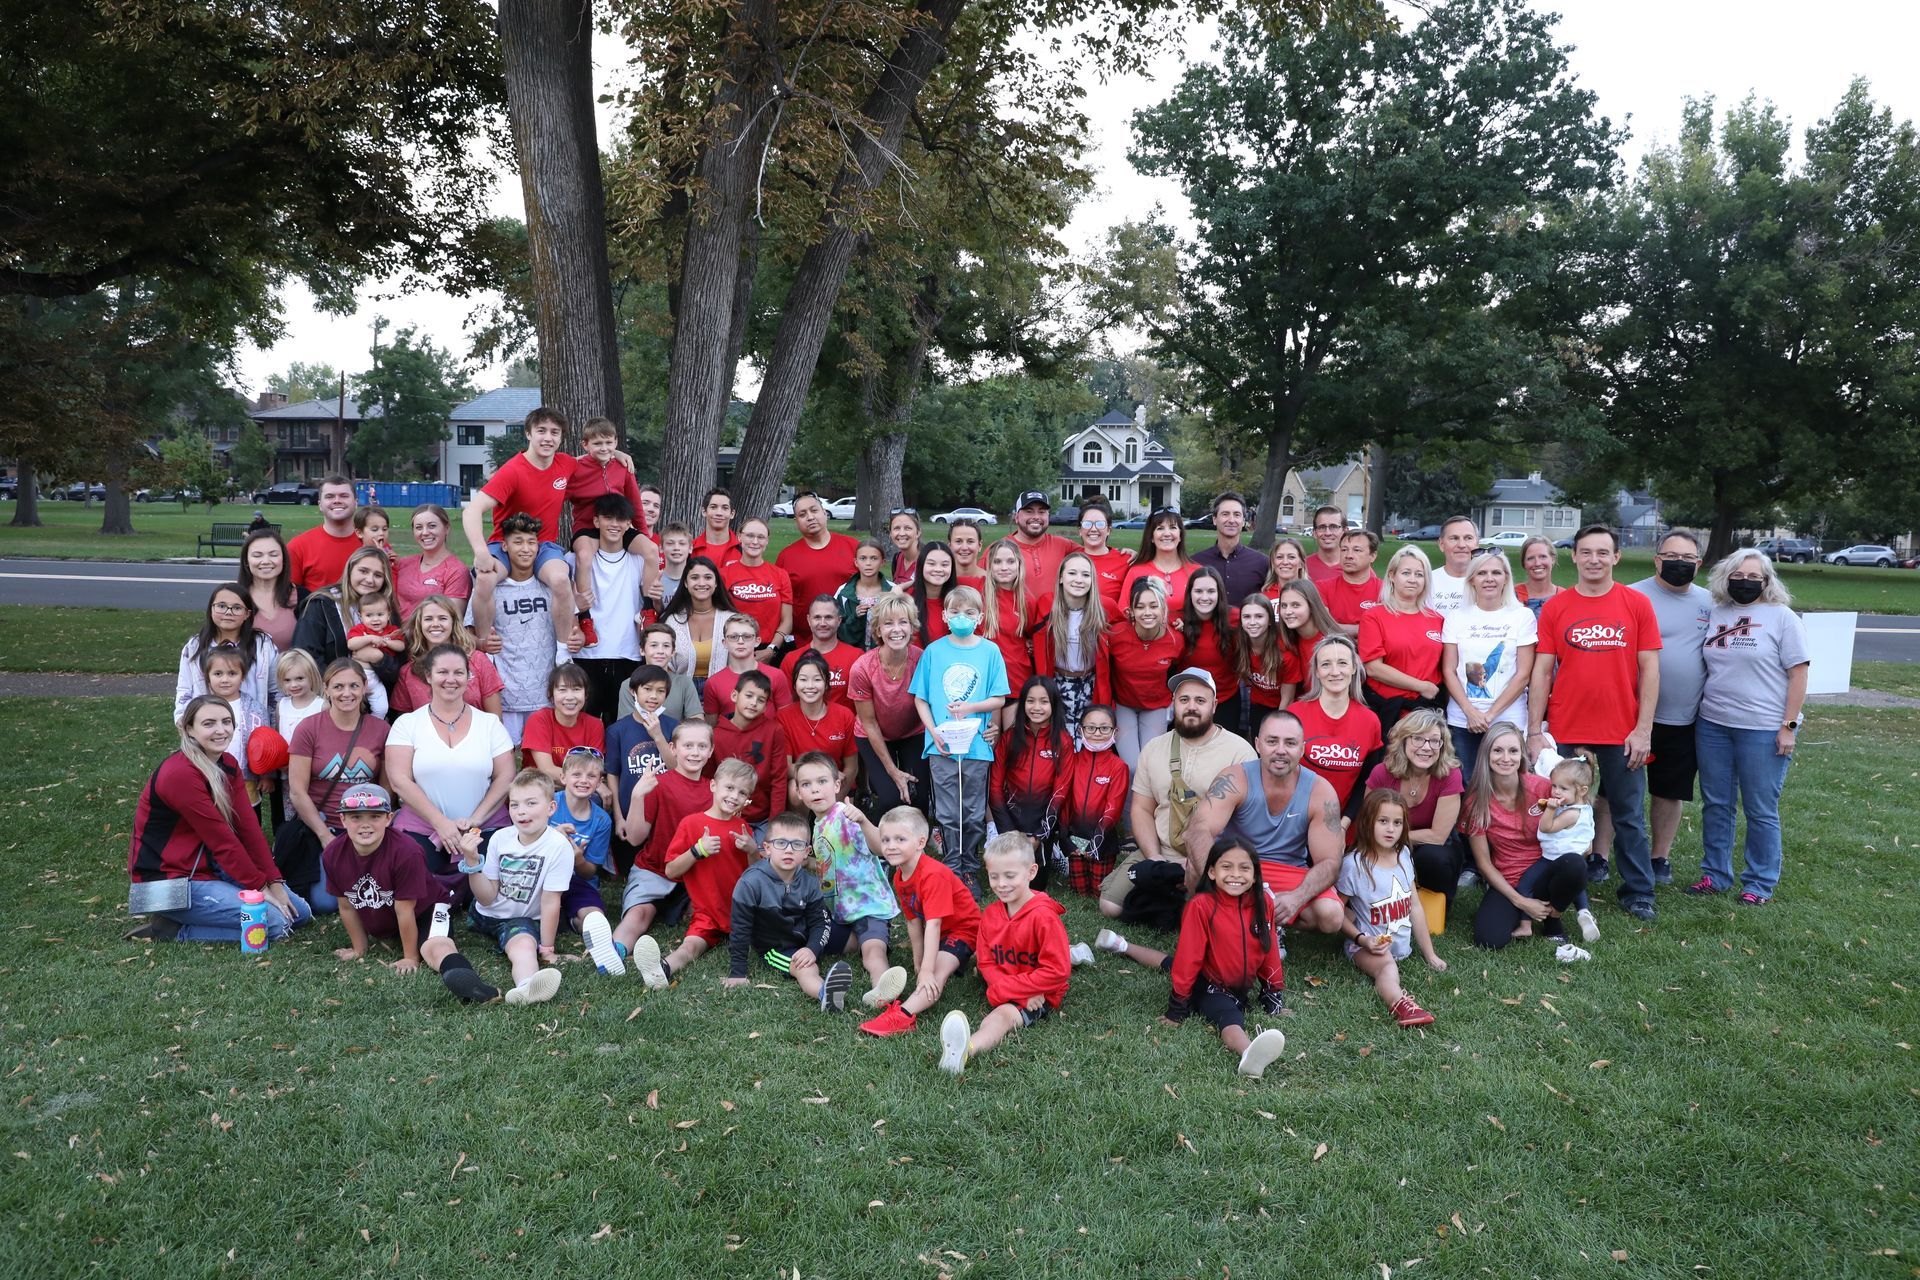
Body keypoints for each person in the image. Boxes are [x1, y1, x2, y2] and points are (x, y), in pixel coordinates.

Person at [1527, 523, 1662, 921]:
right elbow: (1542, 671)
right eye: (1586, 552)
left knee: (1628, 813)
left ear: (1616, 557)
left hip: (1621, 729)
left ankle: (1638, 890)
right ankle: (1551, 882)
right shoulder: (1557, 607)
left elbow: (1650, 668)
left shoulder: (1635, 604)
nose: (1594, 560)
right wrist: (1536, 731)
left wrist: (1643, 729)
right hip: (1567, 726)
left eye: (1603, 552)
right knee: (1550, 804)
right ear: (1574, 556)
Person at [124, 695, 312, 944]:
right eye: (209, 723)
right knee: (274, 923)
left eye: (226, 722)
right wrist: (259, 887)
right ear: (189, 728)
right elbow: (222, 842)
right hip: (167, 884)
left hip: (208, 868)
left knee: (300, 914)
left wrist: (274, 881)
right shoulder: (180, 774)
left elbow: (249, 830)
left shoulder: (228, 765)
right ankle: (171, 929)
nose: (220, 730)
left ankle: (202, 912)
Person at [1095, 838, 1286, 1076]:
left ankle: (1121, 945)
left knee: (1168, 962)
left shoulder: (1264, 902)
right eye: (1226, 867)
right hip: (1208, 984)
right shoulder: (1201, 905)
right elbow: (1188, 960)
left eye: (1244, 868)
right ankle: (1248, 1053)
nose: (1235, 874)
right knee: (1229, 1016)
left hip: (1230, 981)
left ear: (1256, 875)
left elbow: (1269, 950)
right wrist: (1177, 1009)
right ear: (1212, 872)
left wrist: (1273, 996)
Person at [1687, 549, 1809, 906]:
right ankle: (1715, 874)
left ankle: (1758, 882)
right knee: (1717, 804)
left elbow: (1798, 673)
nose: (1745, 582)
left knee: (1760, 808)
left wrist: (1788, 726)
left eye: (1754, 577)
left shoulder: (1782, 617)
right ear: (1725, 577)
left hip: (1763, 728)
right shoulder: (1717, 612)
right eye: (1738, 576)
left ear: (1767, 582)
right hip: (1713, 724)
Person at [1098, 668, 1254, 921]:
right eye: (1184, 700)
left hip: (1213, 857)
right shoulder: (1154, 747)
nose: (1191, 707)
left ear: (1214, 705)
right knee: (1110, 906)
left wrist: (1202, 862)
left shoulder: (1241, 753)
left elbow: (1246, 822)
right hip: (1162, 850)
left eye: (1200, 701)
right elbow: (1141, 809)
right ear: (1173, 704)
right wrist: (1156, 860)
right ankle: (1179, 899)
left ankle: (1183, 899)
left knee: (1216, 910)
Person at [1179, 707, 1345, 935]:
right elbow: (1198, 830)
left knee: (1331, 916)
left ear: (1302, 748)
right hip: (1235, 862)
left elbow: (1330, 862)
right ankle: (1205, 915)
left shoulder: (1320, 791)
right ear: (1257, 744)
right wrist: (1220, 876)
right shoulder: (1235, 778)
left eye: (1290, 743)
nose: (1280, 750)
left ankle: (1268, 920)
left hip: (1287, 870)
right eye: (1272, 741)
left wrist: (1297, 898)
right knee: (1195, 865)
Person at [935, 834, 1070, 1075]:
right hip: (1016, 987)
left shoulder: (1044, 917)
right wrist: (1008, 988)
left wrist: (1012, 992)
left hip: (1039, 994)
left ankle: (967, 1049)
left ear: (1031, 872)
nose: (1001, 884)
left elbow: (1058, 971)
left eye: (1010, 876)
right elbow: (986, 962)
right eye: (994, 876)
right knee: (980, 970)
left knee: (1002, 1016)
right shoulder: (990, 914)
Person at [909, 585, 1009, 892]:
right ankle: (952, 868)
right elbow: (920, 699)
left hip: (976, 746)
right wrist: (933, 731)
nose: (961, 617)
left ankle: (970, 866)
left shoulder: (990, 652)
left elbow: (999, 699)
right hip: (942, 747)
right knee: (949, 812)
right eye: (955, 612)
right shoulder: (934, 652)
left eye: (968, 612)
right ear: (944, 616)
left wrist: (971, 708)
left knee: (973, 812)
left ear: (979, 617)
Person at [460, 407, 584, 651]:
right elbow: (471, 511)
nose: (548, 438)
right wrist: (481, 551)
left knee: (560, 579)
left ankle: (562, 653)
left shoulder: (566, 464)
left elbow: (590, 460)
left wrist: (618, 454)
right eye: (541, 431)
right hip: (505, 544)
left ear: (561, 437)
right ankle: (486, 647)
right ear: (528, 433)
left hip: (544, 545)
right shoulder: (512, 471)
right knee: (485, 580)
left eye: (555, 432)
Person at [629, 758, 759, 990]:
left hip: (743, 911)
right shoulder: (692, 824)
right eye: (729, 788)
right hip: (707, 913)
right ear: (713, 786)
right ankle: (661, 969)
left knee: (767, 941)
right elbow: (670, 869)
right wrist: (698, 850)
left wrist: (752, 850)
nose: (734, 796)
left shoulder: (743, 828)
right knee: (689, 948)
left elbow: (756, 875)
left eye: (742, 792)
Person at [792, 752, 907, 1007]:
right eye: (807, 785)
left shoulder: (846, 813)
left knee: (872, 953)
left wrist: (864, 821)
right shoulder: (818, 825)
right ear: (799, 793)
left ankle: (882, 988)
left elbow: (880, 847)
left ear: (836, 785)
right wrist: (807, 862)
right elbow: (829, 863)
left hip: (869, 905)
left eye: (822, 782)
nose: (815, 790)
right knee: (822, 937)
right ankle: (858, 946)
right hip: (840, 910)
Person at [857, 806, 983, 1038]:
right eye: (885, 839)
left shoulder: (932, 875)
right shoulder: (899, 875)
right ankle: (967, 961)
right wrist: (918, 963)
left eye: (900, 839)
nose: (890, 845)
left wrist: (926, 970)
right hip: (941, 932)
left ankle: (903, 1015)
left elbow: (932, 925)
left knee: (935, 974)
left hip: (966, 930)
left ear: (921, 842)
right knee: (927, 966)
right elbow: (914, 922)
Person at [1631, 530, 1713, 885]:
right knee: (1615, 790)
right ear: (1657, 559)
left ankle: (1659, 857)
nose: (1679, 563)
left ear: (1699, 564)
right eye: (1671, 556)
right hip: (1631, 714)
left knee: (1669, 790)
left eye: (1687, 558)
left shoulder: (1711, 603)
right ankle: (1599, 855)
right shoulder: (1633, 595)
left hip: (1682, 717)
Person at [385, 644, 516, 866]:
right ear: (428, 676)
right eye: (442, 672)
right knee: (420, 885)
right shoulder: (407, 724)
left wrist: (476, 820)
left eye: (458, 673)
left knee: (486, 891)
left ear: (469, 676)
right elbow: (399, 781)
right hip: (423, 827)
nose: (451, 679)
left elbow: (506, 777)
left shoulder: (489, 724)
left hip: (484, 826)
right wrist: (441, 823)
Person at [1462, 724, 1589, 951]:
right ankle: (1526, 910)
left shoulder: (1542, 787)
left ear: (1522, 754)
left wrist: (1584, 840)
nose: (1506, 758)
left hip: (1549, 869)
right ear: (1486, 754)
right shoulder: (1476, 801)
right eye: (1497, 750)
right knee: (1489, 939)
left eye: (1513, 751)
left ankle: (1553, 919)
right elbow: (1483, 863)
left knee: (1575, 863)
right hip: (1510, 880)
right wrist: (1521, 901)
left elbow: (1578, 807)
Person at [452, 769, 570, 1005]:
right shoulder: (499, 838)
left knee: (524, 945)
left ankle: (526, 987)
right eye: (514, 804)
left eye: (531, 803)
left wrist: (546, 949)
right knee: (509, 930)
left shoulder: (558, 846)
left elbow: (550, 902)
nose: (521, 811)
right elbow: (486, 898)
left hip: (519, 920)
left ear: (551, 808)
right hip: (483, 915)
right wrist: (472, 860)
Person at [324, 783, 465, 977]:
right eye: (356, 817)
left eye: (375, 816)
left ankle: (463, 977)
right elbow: (346, 905)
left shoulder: (407, 851)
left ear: (389, 819)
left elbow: (405, 910)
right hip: (389, 914)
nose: (365, 825)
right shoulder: (333, 854)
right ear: (343, 819)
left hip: (425, 908)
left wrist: (410, 957)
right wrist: (359, 949)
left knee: (434, 948)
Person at [720, 809, 854, 1007]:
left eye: (797, 844)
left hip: (806, 934)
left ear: (807, 852)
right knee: (806, 967)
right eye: (781, 843)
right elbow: (740, 929)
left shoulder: (809, 882)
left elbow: (820, 921)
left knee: (856, 942)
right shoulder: (750, 883)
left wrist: (812, 947)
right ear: (766, 848)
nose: (789, 850)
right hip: (778, 947)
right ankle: (826, 994)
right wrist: (737, 972)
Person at [286, 658, 390, 907]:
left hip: (366, 826)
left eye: (354, 686)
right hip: (326, 825)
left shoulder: (380, 729)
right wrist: (324, 836)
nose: (346, 693)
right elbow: (297, 791)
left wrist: (375, 828)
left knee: (380, 894)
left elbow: (385, 790)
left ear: (365, 687)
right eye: (338, 686)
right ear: (327, 689)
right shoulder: (309, 728)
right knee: (326, 903)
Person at [1337, 789, 1445, 1026]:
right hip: (1368, 947)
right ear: (1367, 822)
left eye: (1397, 823)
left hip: (1402, 948)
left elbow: (1414, 906)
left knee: (1392, 957)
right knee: (1386, 965)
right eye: (1383, 821)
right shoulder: (1353, 865)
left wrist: (1430, 954)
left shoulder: (1404, 853)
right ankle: (1403, 1005)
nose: (1390, 829)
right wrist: (1362, 939)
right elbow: (1337, 912)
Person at [612, 720, 713, 951]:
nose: (695, 753)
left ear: (711, 751)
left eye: (701, 746)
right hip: (654, 870)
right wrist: (637, 796)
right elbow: (636, 839)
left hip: (692, 874)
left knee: (703, 916)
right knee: (639, 914)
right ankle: (614, 951)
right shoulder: (657, 784)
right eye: (688, 746)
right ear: (673, 748)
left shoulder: (713, 790)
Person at [467, 513, 568, 744]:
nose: (526, 549)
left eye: (531, 542)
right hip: (505, 693)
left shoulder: (551, 584)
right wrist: (481, 643)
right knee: (504, 756)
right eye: (518, 541)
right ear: (504, 546)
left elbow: (573, 630)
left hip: (545, 693)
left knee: (541, 760)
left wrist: (575, 638)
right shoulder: (490, 588)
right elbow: (466, 634)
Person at [1440, 549, 1536, 781]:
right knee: (1467, 783)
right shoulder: (1456, 617)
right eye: (1482, 573)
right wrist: (1471, 712)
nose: (1489, 578)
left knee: (1506, 783)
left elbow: (1523, 674)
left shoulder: (1522, 616)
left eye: (1496, 572)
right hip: (1463, 718)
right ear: (1472, 579)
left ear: (1506, 578)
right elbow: (1448, 670)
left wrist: (1491, 714)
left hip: (1508, 717)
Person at [1363, 709, 1467, 911]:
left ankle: (1432, 901)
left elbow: (1438, 836)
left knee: (1432, 858)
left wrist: (1394, 837)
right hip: (1387, 843)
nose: (1426, 747)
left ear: (1442, 745)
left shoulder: (1450, 774)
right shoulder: (1382, 773)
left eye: (1434, 741)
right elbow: (1369, 823)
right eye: (1418, 739)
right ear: (1403, 741)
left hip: (1432, 847)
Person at [562, 416, 648, 639]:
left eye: (609, 443)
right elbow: (556, 496)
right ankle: (585, 618)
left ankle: (648, 608)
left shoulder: (622, 466)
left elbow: (635, 502)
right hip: (587, 526)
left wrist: (644, 533)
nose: (604, 448)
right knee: (583, 557)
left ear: (616, 442)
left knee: (650, 550)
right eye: (598, 443)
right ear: (585, 444)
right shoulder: (575, 469)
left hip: (619, 525)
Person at [570, 493, 651, 722]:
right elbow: (563, 602)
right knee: (586, 722)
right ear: (596, 521)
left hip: (628, 653)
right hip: (588, 653)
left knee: (621, 723)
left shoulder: (638, 559)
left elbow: (654, 598)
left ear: (628, 524)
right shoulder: (577, 559)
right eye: (608, 518)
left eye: (621, 519)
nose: (614, 524)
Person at [1289, 635, 1385, 826]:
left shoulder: (1370, 721)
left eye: (1342, 663)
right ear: (1316, 671)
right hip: (1294, 823)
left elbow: (1366, 782)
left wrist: (1343, 825)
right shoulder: (1295, 714)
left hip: (1344, 826)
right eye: (1325, 664)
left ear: (1354, 668)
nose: (1335, 672)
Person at [849, 592, 927, 815]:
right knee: (891, 799)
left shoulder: (921, 660)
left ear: (912, 627)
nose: (896, 629)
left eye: (903, 622)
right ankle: (880, 838)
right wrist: (893, 771)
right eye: (888, 623)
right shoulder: (862, 668)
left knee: (918, 796)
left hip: (913, 731)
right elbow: (870, 723)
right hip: (874, 733)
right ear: (878, 630)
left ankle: (918, 840)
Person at [989, 676, 1071, 887]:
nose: (1036, 707)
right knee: (1011, 881)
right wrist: (1010, 832)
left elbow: (1061, 791)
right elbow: (995, 788)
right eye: (1030, 701)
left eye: (1044, 702)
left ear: (1054, 705)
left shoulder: (1063, 741)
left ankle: (1050, 851)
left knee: (1035, 886)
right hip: (1012, 823)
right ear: (1022, 703)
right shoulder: (1009, 738)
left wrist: (1039, 836)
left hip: (1043, 826)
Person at [1358, 544, 1445, 737]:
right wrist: (1421, 686)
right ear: (1391, 575)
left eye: (1419, 574)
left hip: (1428, 712)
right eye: (1406, 573)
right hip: (1388, 710)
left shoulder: (1437, 619)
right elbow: (1373, 668)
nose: (1413, 580)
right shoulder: (1374, 616)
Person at [551, 747, 624, 974]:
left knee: (595, 918)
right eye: (577, 775)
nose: (584, 781)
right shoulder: (549, 804)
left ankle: (597, 943)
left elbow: (589, 872)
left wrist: (577, 859)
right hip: (543, 877)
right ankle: (562, 917)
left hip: (578, 881)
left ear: (599, 781)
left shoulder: (601, 820)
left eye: (591, 776)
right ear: (563, 777)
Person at [293, 546, 400, 701]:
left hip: (375, 700)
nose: (369, 579)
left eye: (378, 575)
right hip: (329, 700)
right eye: (363, 571)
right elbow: (306, 656)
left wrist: (379, 658)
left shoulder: (385, 611)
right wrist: (339, 691)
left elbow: (398, 667)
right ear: (350, 570)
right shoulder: (321, 604)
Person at [1048, 704, 1129, 897]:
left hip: (1102, 839)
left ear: (1114, 731)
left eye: (1104, 728)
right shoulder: (1072, 760)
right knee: (1080, 891)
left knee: (1099, 892)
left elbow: (1114, 808)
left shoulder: (1119, 767)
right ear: (1080, 730)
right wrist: (1067, 840)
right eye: (1090, 727)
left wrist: (1095, 843)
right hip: (1075, 837)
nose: (1097, 733)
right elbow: (1064, 801)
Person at [1032, 551, 1110, 739]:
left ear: (1093, 580)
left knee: (1088, 740)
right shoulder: (1046, 605)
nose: (1079, 580)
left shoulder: (1105, 609)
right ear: (1061, 578)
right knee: (1058, 741)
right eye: (1072, 573)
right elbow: (1030, 634)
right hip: (1057, 683)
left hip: (1090, 684)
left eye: (1085, 575)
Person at [605, 664, 677, 862]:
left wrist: (658, 736)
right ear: (633, 691)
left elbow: (676, 768)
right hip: (631, 811)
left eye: (660, 691)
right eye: (647, 689)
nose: (653, 696)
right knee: (630, 861)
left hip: (665, 811)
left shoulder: (673, 726)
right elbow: (613, 773)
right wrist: (619, 817)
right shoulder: (617, 730)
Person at [1107, 576, 1183, 767]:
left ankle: (1150, 798)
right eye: (1140, 607)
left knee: (1150, 764)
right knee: (1131, 766)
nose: (1147, 612)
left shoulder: (1176, 639)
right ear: (1131, 611)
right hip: (1124, 705)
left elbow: (1178, 673)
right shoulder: (1116, 635)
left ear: (1163, 608)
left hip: (1156, 706)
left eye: (1153, 605)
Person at [175, 584, 278, 721]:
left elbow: (275, 691)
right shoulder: (194, 647)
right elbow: (184, 690)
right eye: (221, 606)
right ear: (211, 609)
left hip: (254, 726)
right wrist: (184, 721)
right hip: (208, 729)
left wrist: (273, 725)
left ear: (247, 614)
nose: (228, 612)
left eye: (236, 608)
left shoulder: (262, 645)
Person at [1532, 747, 1602, 943]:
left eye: (1563, 788)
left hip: (1554, 858)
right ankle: (1583, 911)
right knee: (1576, 883)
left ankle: (1538, 918)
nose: (1555, 791)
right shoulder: (1585, 808)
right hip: (1577, 858)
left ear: (1582, 790)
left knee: (1528, 884)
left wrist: (1550, 809)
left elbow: (1546, 828)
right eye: (1554, 786)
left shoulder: (1569, 813)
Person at [390, 595, 503, 717]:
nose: (435, 624)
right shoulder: (407, 672)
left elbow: (496, 719)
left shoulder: (478, 660)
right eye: (428, 619)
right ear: (419, 624)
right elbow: (405, 724)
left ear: (453, 622)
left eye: (442, 618)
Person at [709, 670, 789, 832]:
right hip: (724, 815)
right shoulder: (716, 734)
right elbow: (708, 779)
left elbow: (779, 779)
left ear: (766, 706)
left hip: (763, 819)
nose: (754, 703)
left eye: (761, 700)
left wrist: (774, 824)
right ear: (734, 696)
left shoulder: (774, 730)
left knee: (764, 856)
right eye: (749, 696)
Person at [981, 539, 1048, 726]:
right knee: (990, 743)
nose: (1004, 567)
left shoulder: (1027, 600)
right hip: (987, 683)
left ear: (1019, 564)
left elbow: (1032, 636)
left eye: (1010, 561)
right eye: (997, 562)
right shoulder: (979, 595)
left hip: (1017, 680)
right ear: (989, 565)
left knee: (1013, 742)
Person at [778, 653, 858, 802]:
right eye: (803, 679)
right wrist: (826, 772)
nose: (810, 686)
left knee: (839, 819)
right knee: (793, 790)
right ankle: (802, 824)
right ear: (794, 685)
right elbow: (787, 768)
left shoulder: (844, 715)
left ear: (827, 684)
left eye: (817, 679)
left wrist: (834, 803)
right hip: (805, 783)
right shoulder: (783, 717)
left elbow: (852, 767)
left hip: (837, 784)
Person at [1178, 566, 1242, 737]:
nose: (1204, 597)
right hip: (1187, 702)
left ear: (1219, 594)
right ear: (1190, 593)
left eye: (1211, 591)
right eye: (1198, 591)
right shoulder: (1176, 619)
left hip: (1225, 700)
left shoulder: (1236, 618)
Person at [777, 491, 861, 615]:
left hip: (849, 630)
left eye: (814, 510)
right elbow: (779, 602)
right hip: (804, 633)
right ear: (796, 521)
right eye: (802, 514)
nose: (810, 517)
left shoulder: (853, 547)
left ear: (825, 513)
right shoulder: (786, 557)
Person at [659, 557, 739, 686]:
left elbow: (741, 662)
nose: (701, 583)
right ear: (685, 583)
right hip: (680, 691)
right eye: (695, 578)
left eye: (708, 577)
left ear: (716, 582)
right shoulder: (672, 621)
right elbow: (664, 664)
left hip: (724, 691)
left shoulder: (731, 621)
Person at [724, 516, 795, 659]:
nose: (755, 542)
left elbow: (787, 620)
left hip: (770, 648)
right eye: (750, 535)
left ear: (767, 541)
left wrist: (771, 649)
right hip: (733, 649)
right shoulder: (723, 574)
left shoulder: (780, 575)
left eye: (761, 537)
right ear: (739, 537)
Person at [520, 664, 606, 780]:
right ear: (551, 695)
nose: (569, 697)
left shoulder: (595, 725)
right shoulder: (539, 720)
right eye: (562, 690)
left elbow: (594, 769)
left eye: (576, 689)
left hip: (581, 789)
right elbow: (546, 770)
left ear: (586, 694)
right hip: (541, 787)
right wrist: (587, 781)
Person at [701, 614, 794, 719]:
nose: (740, 641)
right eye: (733, 637)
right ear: (725, 642)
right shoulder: (713, 683)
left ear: (757, 641)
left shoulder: (776, 676)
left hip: (769, 734)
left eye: (747, 636)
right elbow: (712, 728)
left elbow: (787, 719)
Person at [392, 503, 473, 621]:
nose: (425, 532)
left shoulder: (456, 571)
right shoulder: (403, 564)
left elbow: (451, 620)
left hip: (430, 637)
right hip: (394, 636)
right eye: (419, 527)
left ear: (447, 528)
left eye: (432, 526)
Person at [285, 475, 359, 594]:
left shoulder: (372, 543)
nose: (337, 500)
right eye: (329, 496)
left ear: (356, 502)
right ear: (320, 504)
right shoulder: (298, 546)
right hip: (317, 611)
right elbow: (290, 598)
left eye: (344, 496)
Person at [781, 596, 859, 707]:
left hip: (845, 723)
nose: (823, 623)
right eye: (817, 617)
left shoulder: (855, 657)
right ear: (809, 620)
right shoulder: (792, 659)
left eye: (828, 617)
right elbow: (786, 706)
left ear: (839, 620)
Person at [1192, 491, 1268, 604]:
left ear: (1243, 521)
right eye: (1225, 514)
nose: (1231, 520)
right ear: (1214, 519)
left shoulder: (1262, 563)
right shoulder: (1195, 562)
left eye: (1237, 515)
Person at [618, 625, 703, 725]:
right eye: (654, 645)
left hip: (676, 738)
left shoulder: (684, 683)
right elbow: (624, 726)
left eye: (666, 646)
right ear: (642, 650)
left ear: (673, 652)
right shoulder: (628, 684)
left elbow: (697, 722)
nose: (660, 651)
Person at [235, 526, 298, 651]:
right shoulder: (232, 598)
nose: (265, 561)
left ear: (283, 559)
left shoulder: (303, 598)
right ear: (246, 561)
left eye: (273, 555)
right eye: (257, 555)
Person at [1275, 579, 1337, 704]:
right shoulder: (1286, 638)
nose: (1288, 612)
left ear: (1312, 606)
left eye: (1296, 605)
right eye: (1284, 606)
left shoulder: (1332, 645)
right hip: (1299, 705)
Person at [1121, 507, 1195, 610]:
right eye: (1160, 528)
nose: (1167, 534)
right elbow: (1124, 613)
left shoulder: (1195, 572)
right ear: (1151, 537)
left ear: (1180, 535)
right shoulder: (1136, 572)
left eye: (1173, 527)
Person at [1007, 490, 1075, 588]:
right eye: (1029, 512)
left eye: (1042, 512)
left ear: (1048, 516)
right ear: (1016, 517)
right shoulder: (999, 549)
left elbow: (1098, 557)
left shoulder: (1064, 546)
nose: (1036, 517)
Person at [834, 540, 896, 647]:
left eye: (874, 558)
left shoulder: (893, 590)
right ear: (856, 562)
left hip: (884, 654)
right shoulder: (843, 592)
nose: (868, 563)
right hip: (853, 655)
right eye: (863, 558)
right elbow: (838, 630)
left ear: (883, 562)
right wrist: (855, 617)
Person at [1321, 528, 1383, 633]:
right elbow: (1324, 626)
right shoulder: (1323, 588)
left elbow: (1387, 628)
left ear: (1372, 556)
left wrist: (1339, 628)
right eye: (1344, 550)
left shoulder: (1385, 590)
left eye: (1357, 550)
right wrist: (1367, 629)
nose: (1349, 556)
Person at [1074, 496, 1130, 608]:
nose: (1093, 529)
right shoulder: (1071, 559)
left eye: (1100, 524)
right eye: (1087, 524)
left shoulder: (1125, 560)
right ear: (1080, 530)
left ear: (1109, 530)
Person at [1238, 591, 1285, 720]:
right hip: (1258, 705)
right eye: (1246, 617)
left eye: (1259, 616)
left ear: (1270, 620)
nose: (1252, 622)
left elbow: (1287, 699)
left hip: (1282, 707)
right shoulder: (1241, 645)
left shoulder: (1284, 653)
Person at [1424, 516, 1480, 615]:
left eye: (1468, 538)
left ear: (1477, 544)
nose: (1461, 545)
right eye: (1454, 538)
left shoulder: (1489, 583)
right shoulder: (1425, 582)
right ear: (1441, 544)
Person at [909, 541, 958, 644]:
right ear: (921, 565)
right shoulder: (907, 600)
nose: (938, 569)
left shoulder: (959, 600)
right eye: (931, 564)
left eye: (945, 565)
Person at [345, 593, 404, 675]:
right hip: (362, 671)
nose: (375, 619)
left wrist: (385, 642)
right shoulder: (360, 629)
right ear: (361, 617)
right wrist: (370, 638)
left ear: (388, 615)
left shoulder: (392, 630)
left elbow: (401, 646)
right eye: (369, 615)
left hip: (382, 673)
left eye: (380, 614)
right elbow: (351, 644)